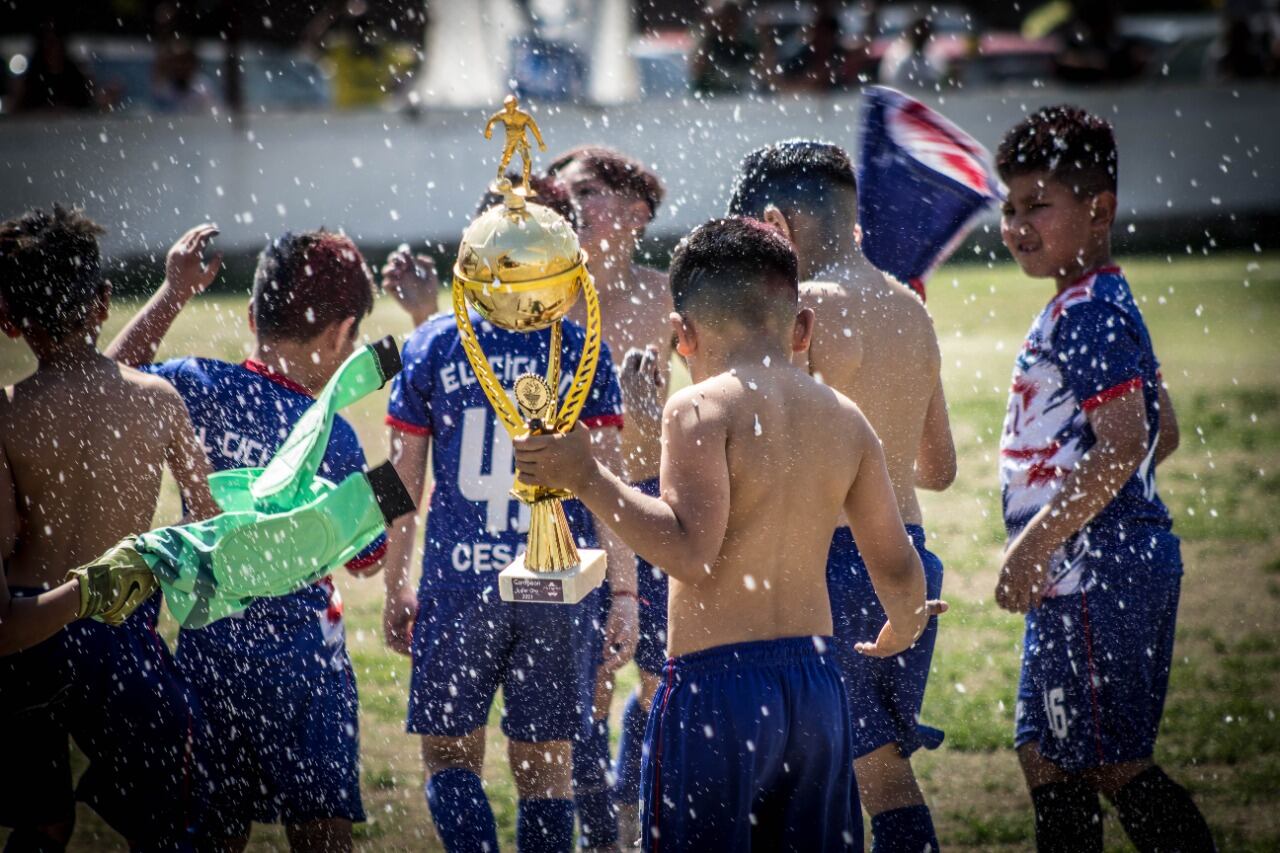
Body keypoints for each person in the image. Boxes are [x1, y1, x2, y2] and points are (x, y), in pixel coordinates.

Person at [513, 216, 933, 851]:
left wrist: (586, 476)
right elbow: (898, 565)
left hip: (718, 689)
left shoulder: (700, 407)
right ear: (802, 327)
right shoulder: (845, 419)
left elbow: (689, 552)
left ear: (681, 336)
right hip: (818, 690)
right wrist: (904, 625)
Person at [107, 225, 388, 852]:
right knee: (321, 833)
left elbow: (109, 381)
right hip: (305, 664)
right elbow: (370, 559)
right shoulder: (335, 436)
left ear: (254, 311)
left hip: (210, 647)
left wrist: (172, 294)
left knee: (212, 833)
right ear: (343, 333)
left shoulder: (195, 387)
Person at [380, 194, 636, 853]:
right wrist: (626, 594)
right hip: (556, 587)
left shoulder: (433, 343)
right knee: (547, 774)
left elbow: (400, 483)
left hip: (460, 584)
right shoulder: (583, 349)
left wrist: (393, 582)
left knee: (449, 758)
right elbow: (612, 486)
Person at [994, 105, 1215, 853]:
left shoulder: (1085, 311)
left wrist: (1037, 540)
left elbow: (1125, 445)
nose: (1017, 223)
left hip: (1097, 574)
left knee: (1113, 762)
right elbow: (1165, 431)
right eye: (1010, 206)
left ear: (1101, 210)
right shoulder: (1090, 300)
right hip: (1091, 571)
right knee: (1046, 754)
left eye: (1037, 205)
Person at [728, 140, 953, 853]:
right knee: (880, 771)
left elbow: (768, 452)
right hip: (907, 556)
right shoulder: (909, 307)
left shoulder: (807, 308)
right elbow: (937, 465)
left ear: (775, 224)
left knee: (806, 773)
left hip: (831, 561)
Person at [0, 205, 219, 850]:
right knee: (168, 826)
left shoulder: (7, 419)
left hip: (29, 639)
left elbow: (9, 549)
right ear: (102, 302)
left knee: (42, 825)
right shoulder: (159, 401)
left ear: (8, 321)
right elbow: (206, 524)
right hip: (121, 644)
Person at [547, 145, 670, 850]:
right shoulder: (545, 294)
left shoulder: (663, 294)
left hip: (648, 500)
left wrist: (648, 404)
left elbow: (697, 408)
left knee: (656, 676)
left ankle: (630, 811)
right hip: (568, 510)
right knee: (587, 681)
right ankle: (597, 827)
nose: (567, 206)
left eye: (583, 193)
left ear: (634, 213)